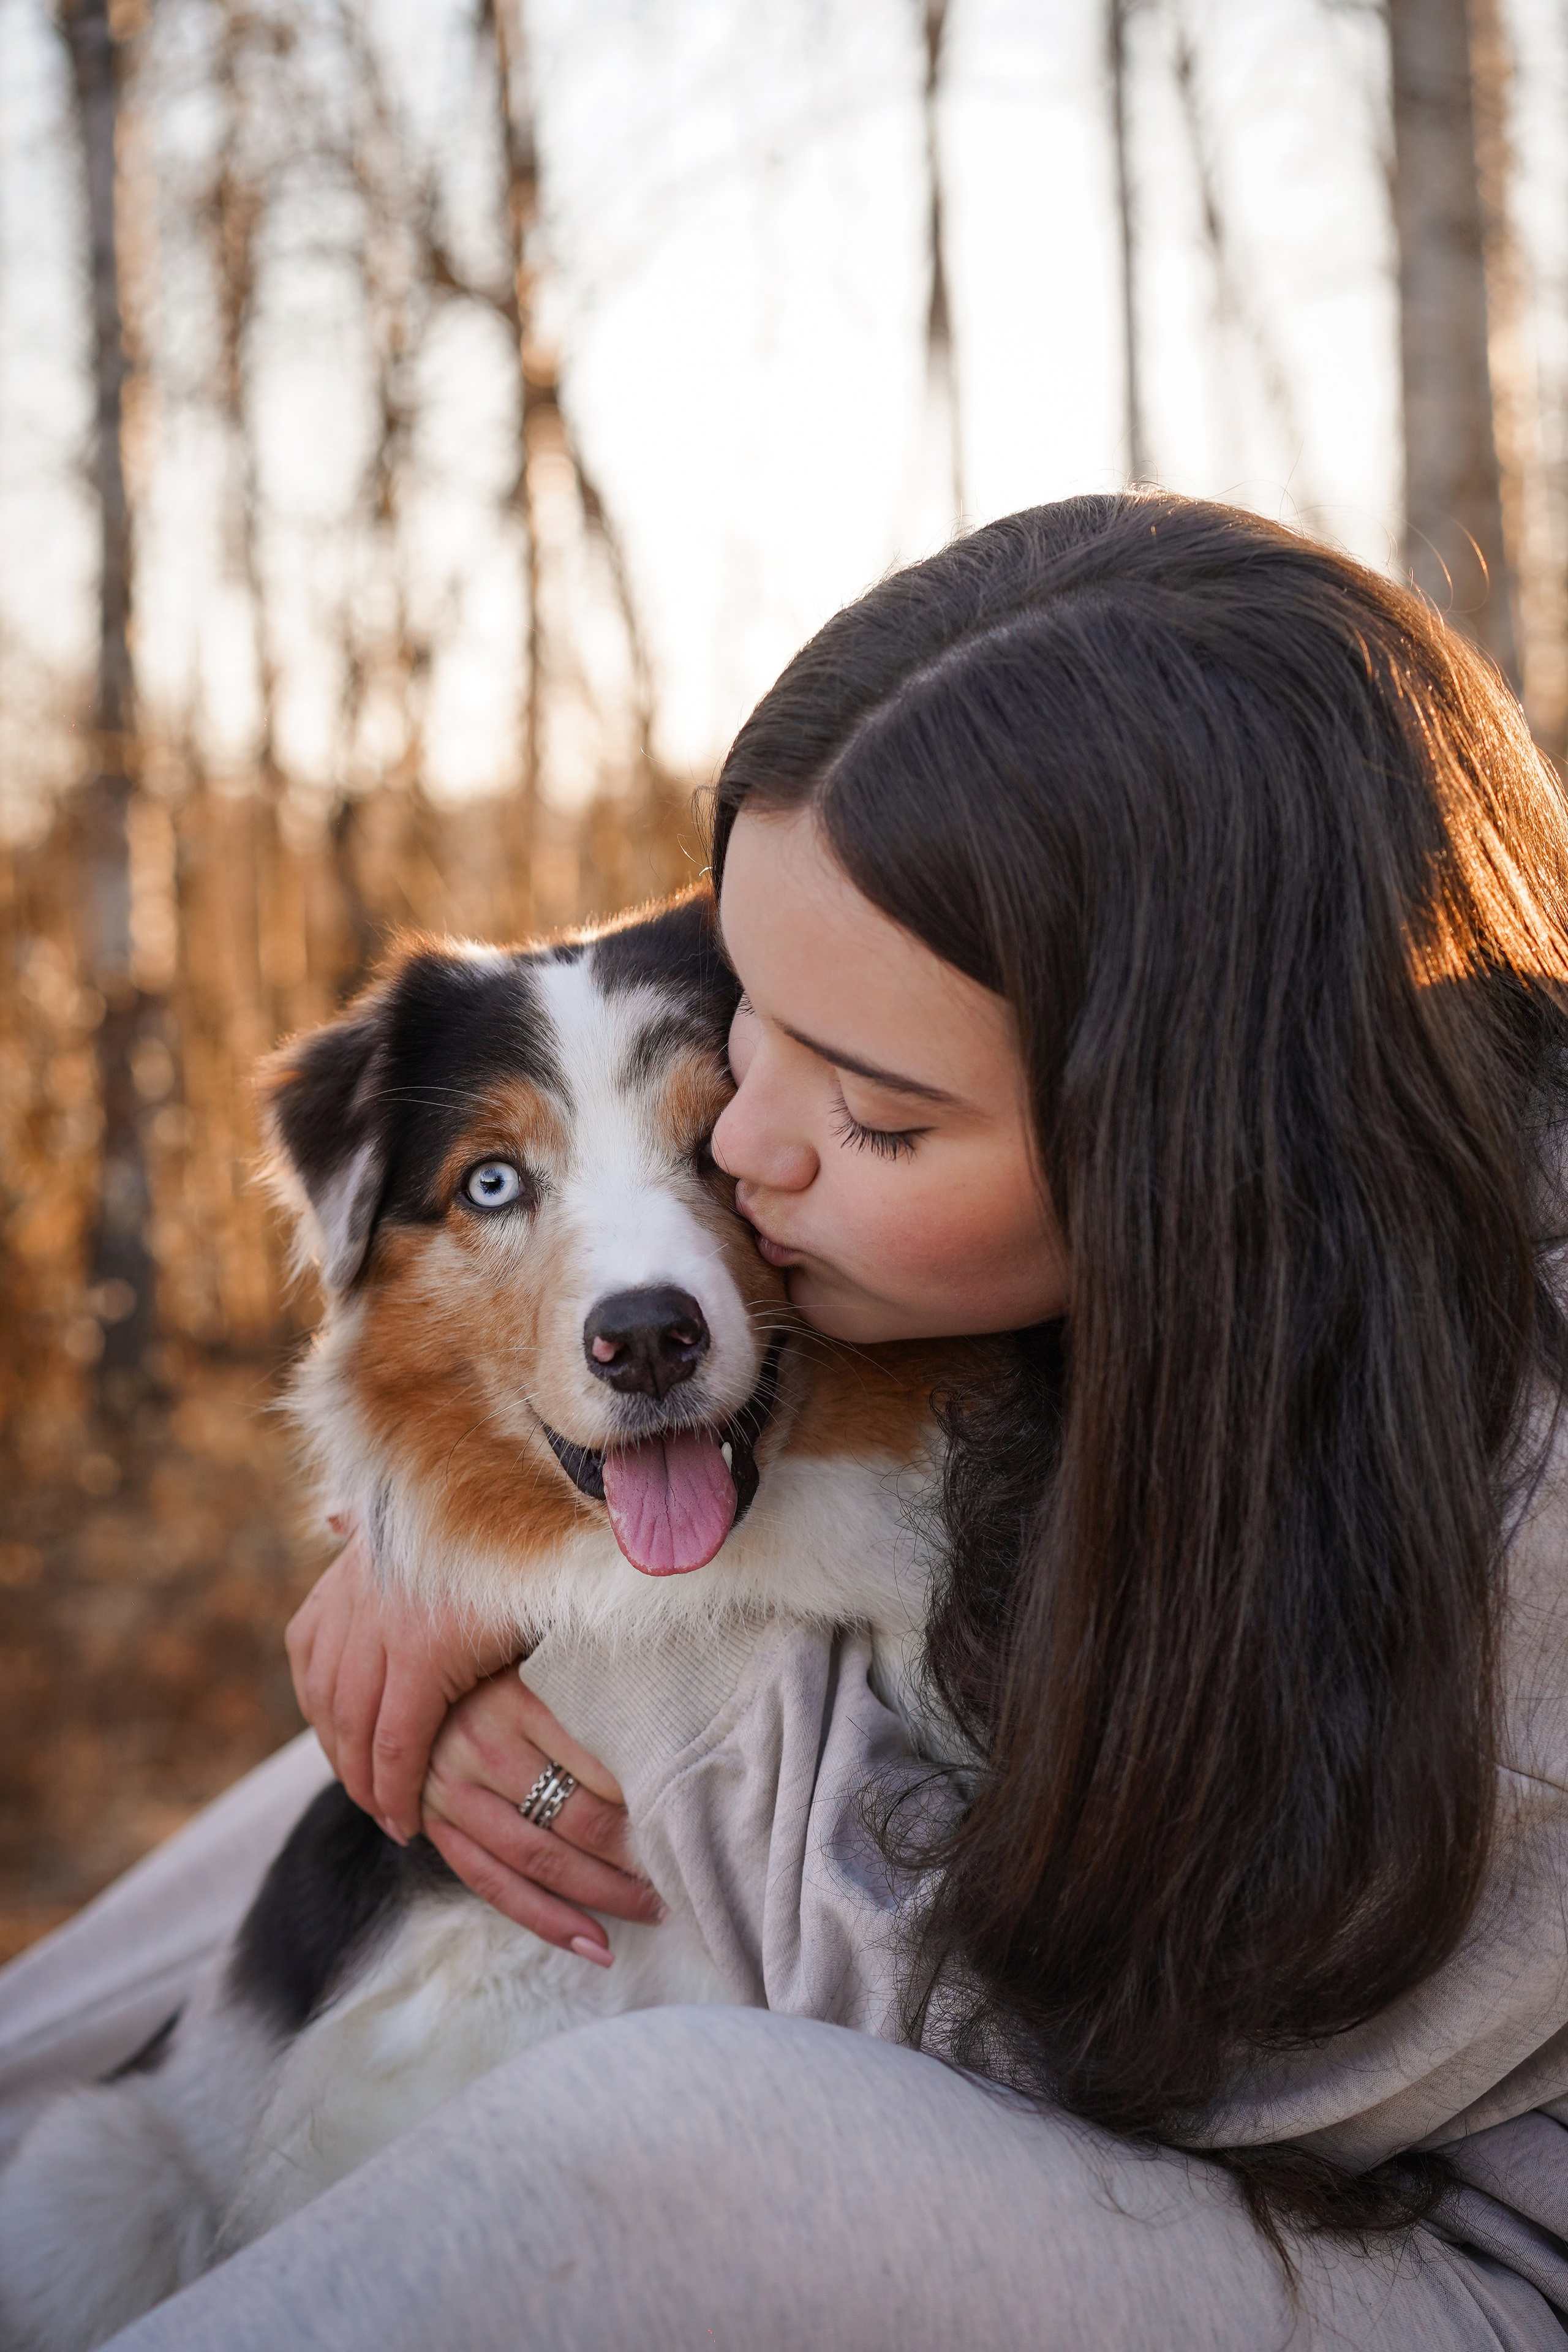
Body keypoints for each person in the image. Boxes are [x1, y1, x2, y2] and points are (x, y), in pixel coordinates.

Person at [4, 492, 1568, 2349]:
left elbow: (1109, 2055)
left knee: (647, 2113)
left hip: (1404, 2262)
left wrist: (604, 1616)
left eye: (878, 1116)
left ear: (1188, 1148)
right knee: (350, 1772)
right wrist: (460, 1558)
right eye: (756, 1045)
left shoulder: (1510, 1556)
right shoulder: (1189, 1272)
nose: (745, 1156)